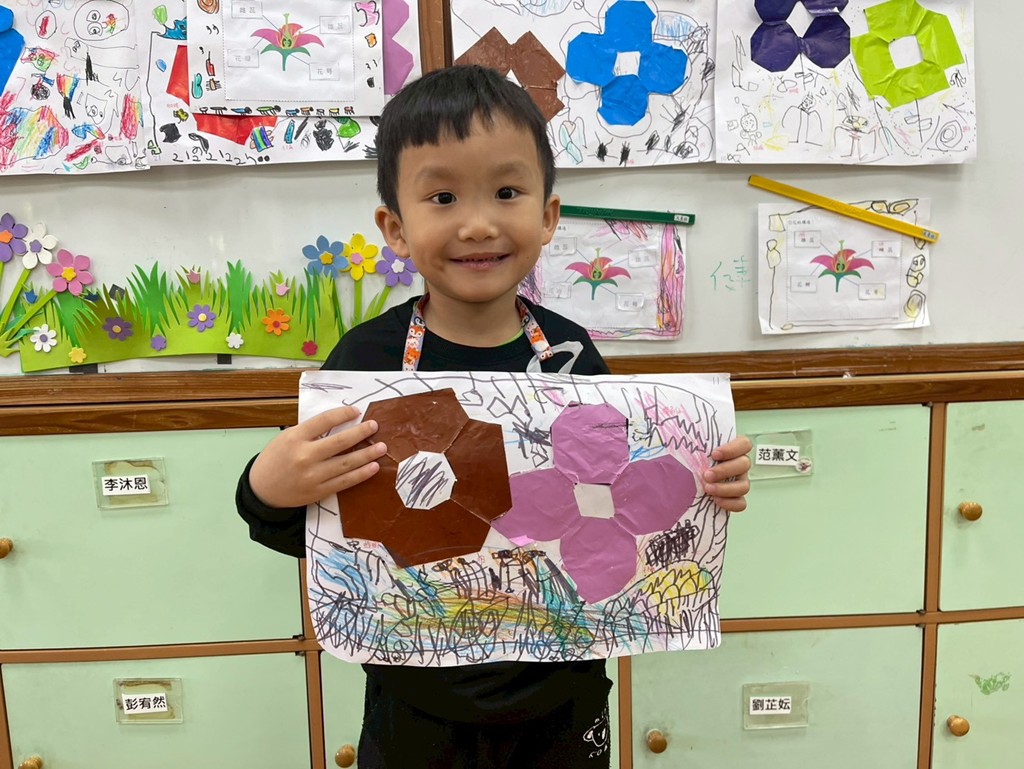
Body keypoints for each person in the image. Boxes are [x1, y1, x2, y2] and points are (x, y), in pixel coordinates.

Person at [236, 64, 752, 768]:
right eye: (443, 197)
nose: (478, 223)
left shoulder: (570, 354)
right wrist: (266, 486)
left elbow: (634, 485)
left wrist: (706, 481)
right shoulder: (365, 363)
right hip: (415, 697)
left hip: (563, 694)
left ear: (547, 216)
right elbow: (322, 530)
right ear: (395, 228)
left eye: (507, 193)